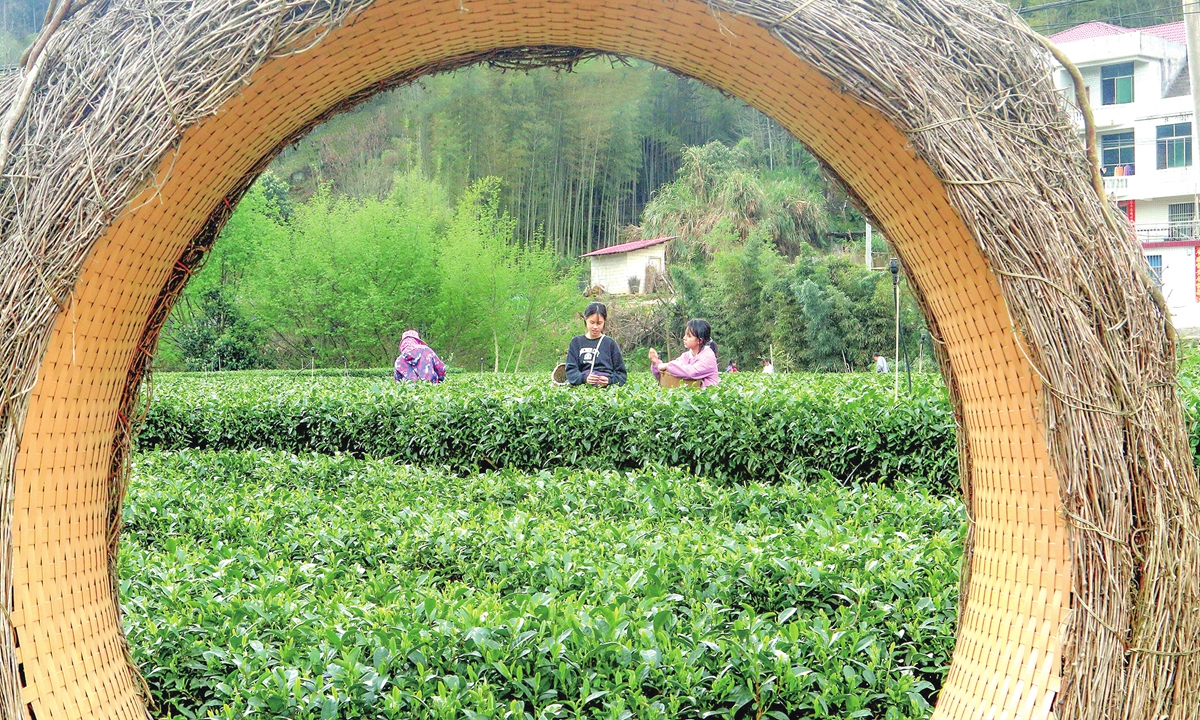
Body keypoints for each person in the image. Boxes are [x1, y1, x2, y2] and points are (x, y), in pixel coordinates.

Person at [565, 301, 627, 387]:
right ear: (585, 320)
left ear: (604, 322)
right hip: (583, 388)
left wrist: (609, 380)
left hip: (607, 390)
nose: (595, 327)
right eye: (592, 322)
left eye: (599, 323)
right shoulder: (576, 342)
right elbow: (571, 370)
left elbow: (621, 374)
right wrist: (584, 378)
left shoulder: (610, 343)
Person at [649, 318, 720, 387]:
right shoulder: (685, 356)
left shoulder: (708, 356)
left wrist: (667, 366)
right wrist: (656, 364)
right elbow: (669, 375)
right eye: (685, 334)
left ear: (700, 340)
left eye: (689, 336)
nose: (684, 338)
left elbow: (691, 372)